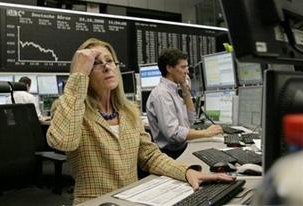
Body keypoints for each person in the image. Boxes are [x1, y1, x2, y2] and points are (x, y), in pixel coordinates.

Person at [46, 38, 235, 205]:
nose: (106, 67)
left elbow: (150, 156)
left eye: (110, 61)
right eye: (95, 63)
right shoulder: (69, 109)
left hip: (130, 199)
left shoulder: (129, 112)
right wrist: (78, 77)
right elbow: (64, 141)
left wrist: (186, 171)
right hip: (95, 202)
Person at [146, 48, 223, 159]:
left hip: (181, 148)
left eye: (186, 66)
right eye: (183, 67)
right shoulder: (162, 94)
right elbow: (174, 134)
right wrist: (206, 133)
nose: (187, 71)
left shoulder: (174, 90)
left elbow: (191, 119)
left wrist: (186, 91)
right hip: (171, 155)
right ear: (169, 68)